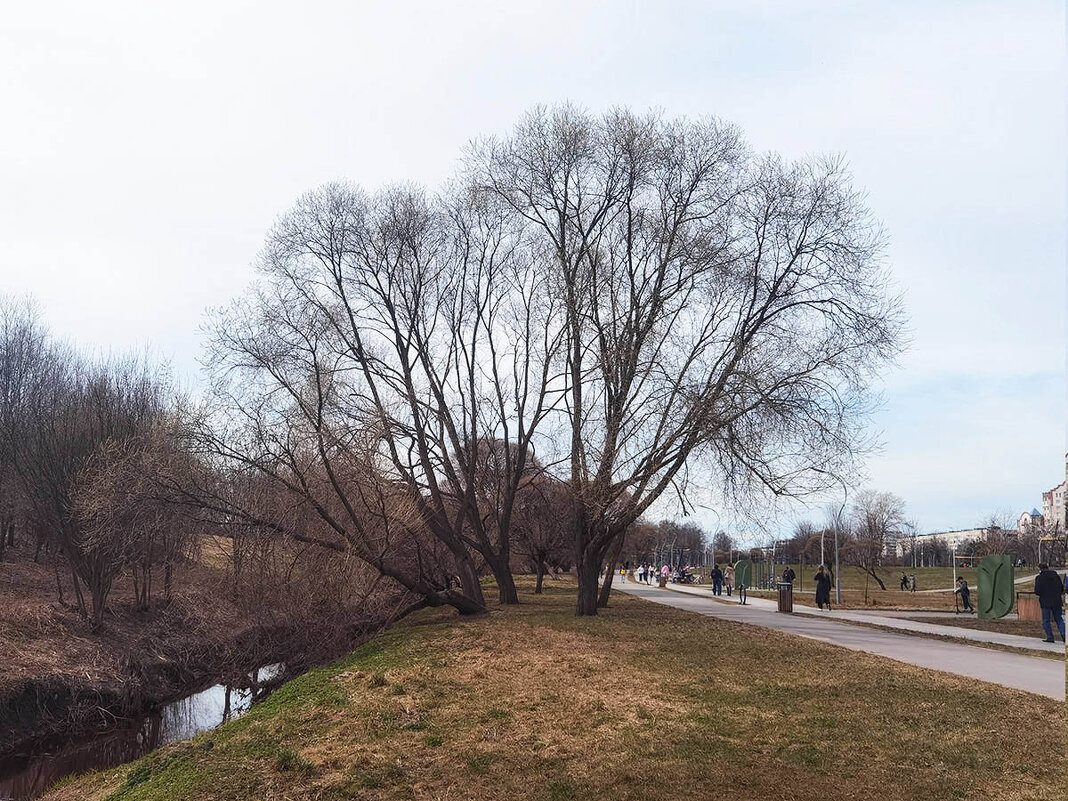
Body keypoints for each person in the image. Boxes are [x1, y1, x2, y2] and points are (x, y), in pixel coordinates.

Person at [1033, 562, 1065, 643]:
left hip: (1045, 601)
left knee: (1046, 620)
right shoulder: (1055, 576)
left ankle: (1050, 637)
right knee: (1059, 619)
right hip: (1057, 601)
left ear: (1040, 569)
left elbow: (1037, 591)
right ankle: (1064, 634)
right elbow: (1061, 588)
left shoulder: (1039, 578)